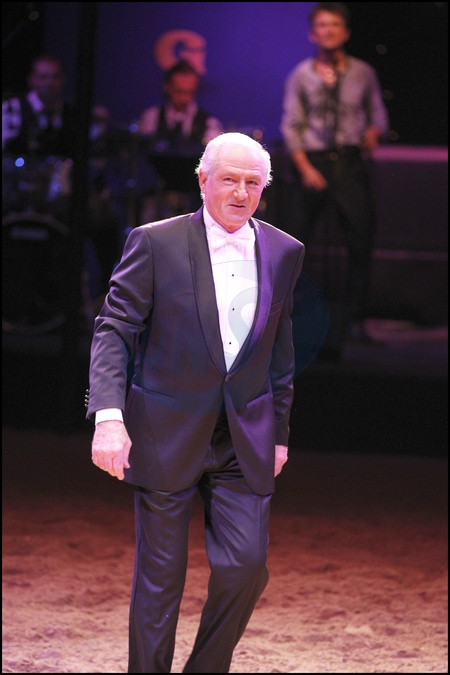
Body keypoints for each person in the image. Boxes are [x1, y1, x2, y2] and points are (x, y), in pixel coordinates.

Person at [86, 132, 305, 673]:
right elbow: (114, 329)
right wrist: (109, 417)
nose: (240, 193)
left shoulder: (285, 251)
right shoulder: (155, 242)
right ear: (203, 181)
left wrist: (278, 433)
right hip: (166, 427)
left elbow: (280, 351)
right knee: (160, 581)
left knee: (246, 568)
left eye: (252, 183)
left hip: (243, 435)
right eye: (229, 179)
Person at [280, 2, 389, 356]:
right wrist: (305, 168)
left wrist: (372, 133)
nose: (328, 31)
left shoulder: (363, 73)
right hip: (312, 161)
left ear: (346, 32)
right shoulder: (301, 75)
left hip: (349, 161)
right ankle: (286, 317)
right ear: (313, 33)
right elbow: (291, 125)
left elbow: (377, 115)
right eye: (322, 25)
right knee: (293, 241)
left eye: (335, 25)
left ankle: (354, 318)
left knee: (360, 237)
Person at [2, 54, 120, 302]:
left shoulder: (74, 115)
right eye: (43, 77)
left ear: (63, 80)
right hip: (15, 198)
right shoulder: (12, 111)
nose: (49, 83)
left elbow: (96, 158)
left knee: (104, 221)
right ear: (32, 80)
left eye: (55, 77)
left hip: (61, 200)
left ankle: (102, 296)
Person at [135, 59, 223, 222]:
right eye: (179, 91)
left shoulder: (208, 124)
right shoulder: (151, 118)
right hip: (156, 196)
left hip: (194, 200)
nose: (184, 98)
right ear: (167, 87)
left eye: (190, 92)